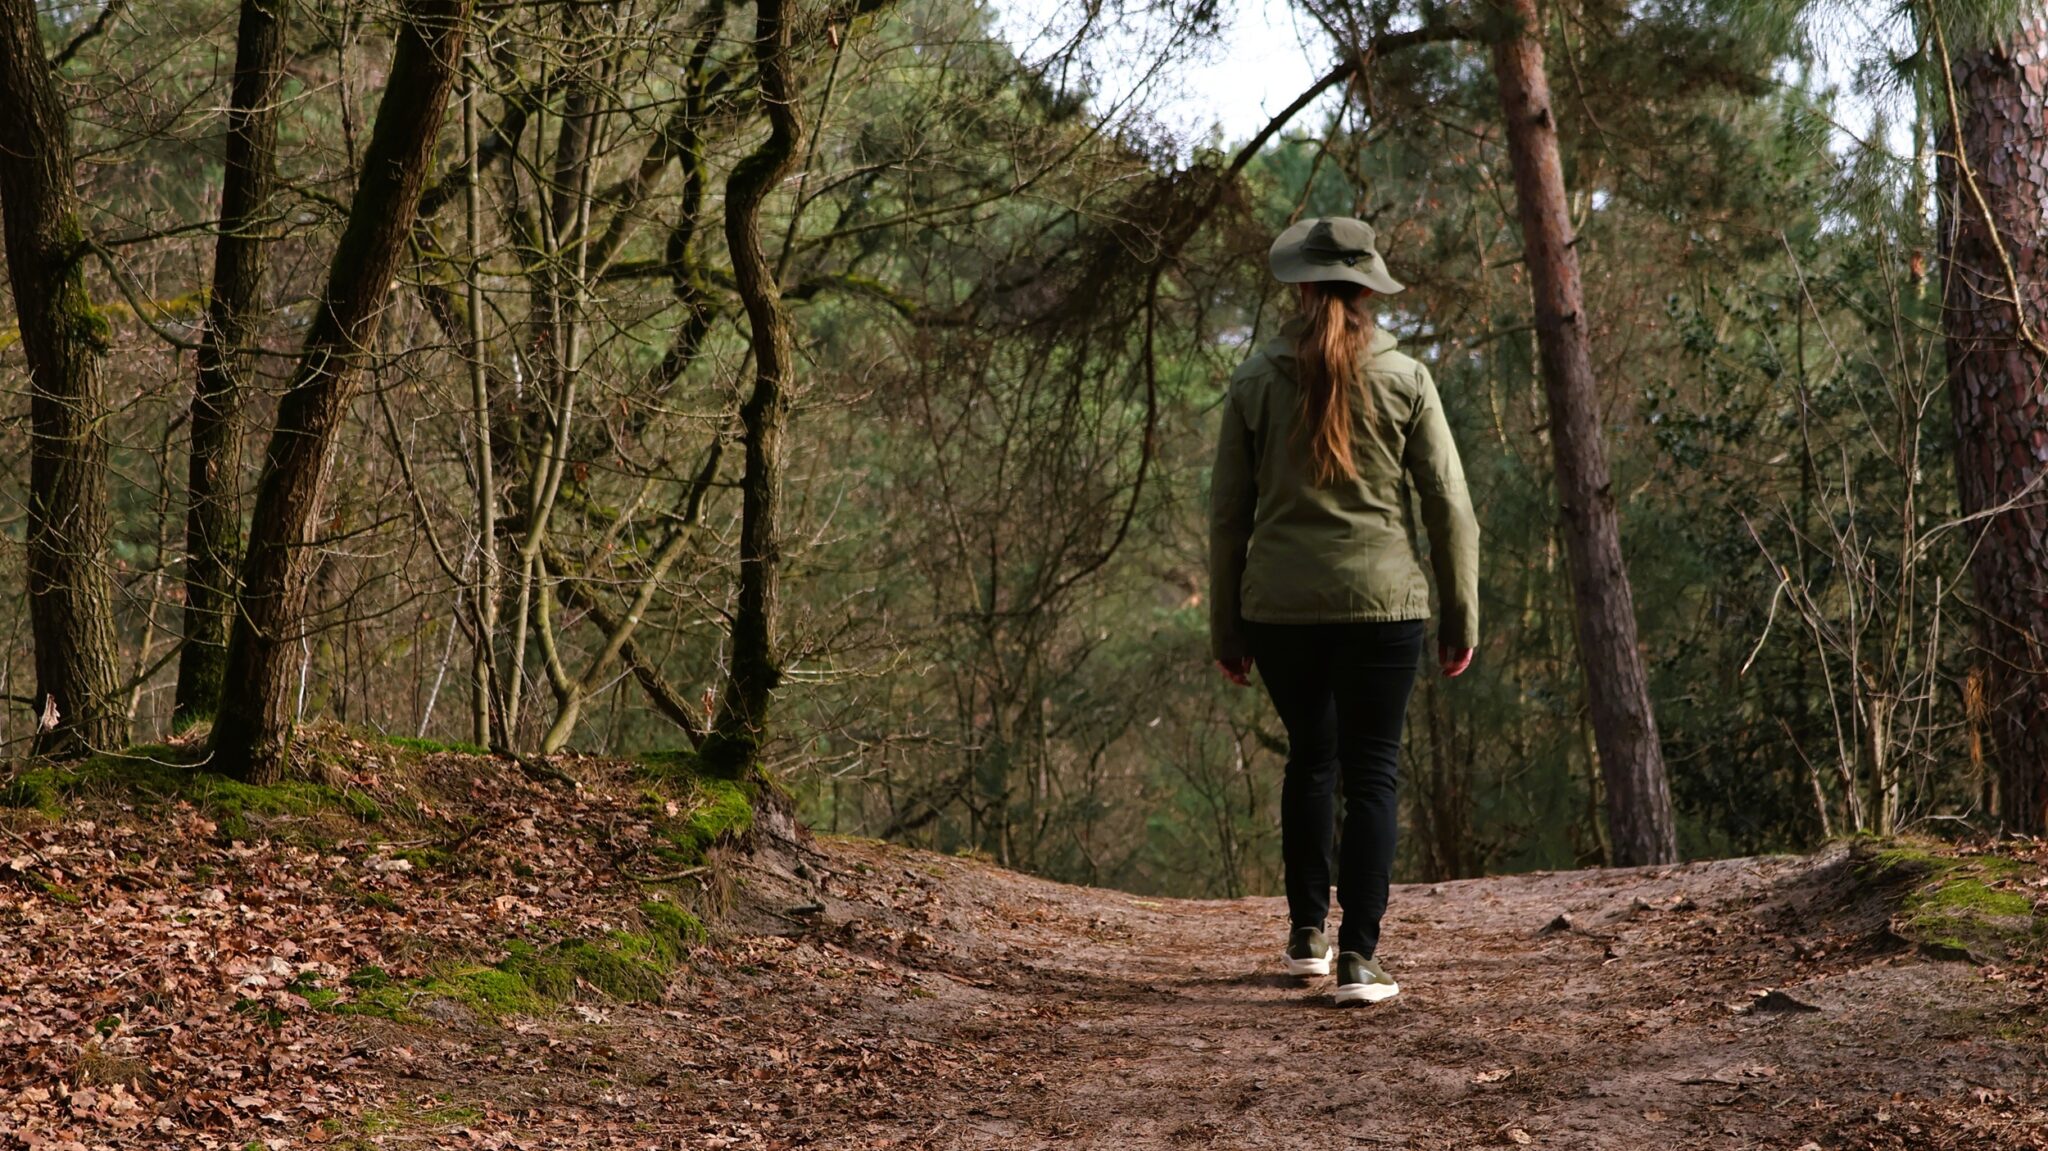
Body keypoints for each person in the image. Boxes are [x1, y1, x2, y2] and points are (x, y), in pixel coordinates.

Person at [1208, 216, 1479, 1006]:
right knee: (1371, 771)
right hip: (1384, 608)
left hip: (1279, 610)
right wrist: (1461, 618)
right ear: (1369, 288)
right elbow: (1450, 508)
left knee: (1311, 759)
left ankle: (1305, 937)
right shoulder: (1407, 379)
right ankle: (1360, 955)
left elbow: (1228, 515)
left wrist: (1226, 627)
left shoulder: (1255, 379)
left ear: (1299, 286)